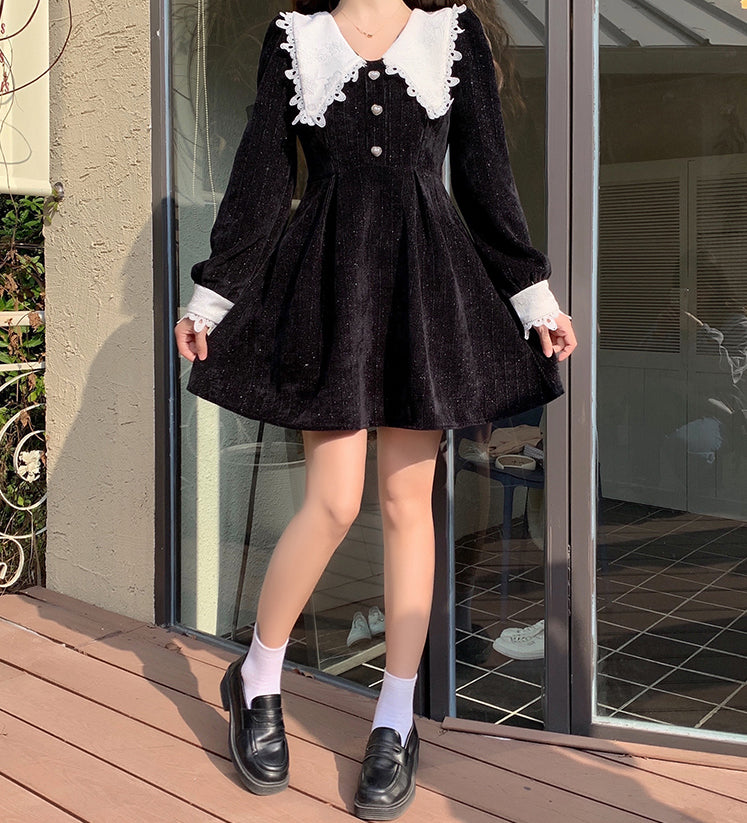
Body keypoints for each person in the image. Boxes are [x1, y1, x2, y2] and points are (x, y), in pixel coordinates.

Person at [174, 0, 577, 818]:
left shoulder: (451, 35)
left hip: (423, 284)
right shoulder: (295, 39)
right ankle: (257, 675)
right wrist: (212, 297)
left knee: (404, 502)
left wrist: (533, 298)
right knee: (332, 501)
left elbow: (486, 178)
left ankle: (395, 716)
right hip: (330, 285)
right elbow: (260, 178)